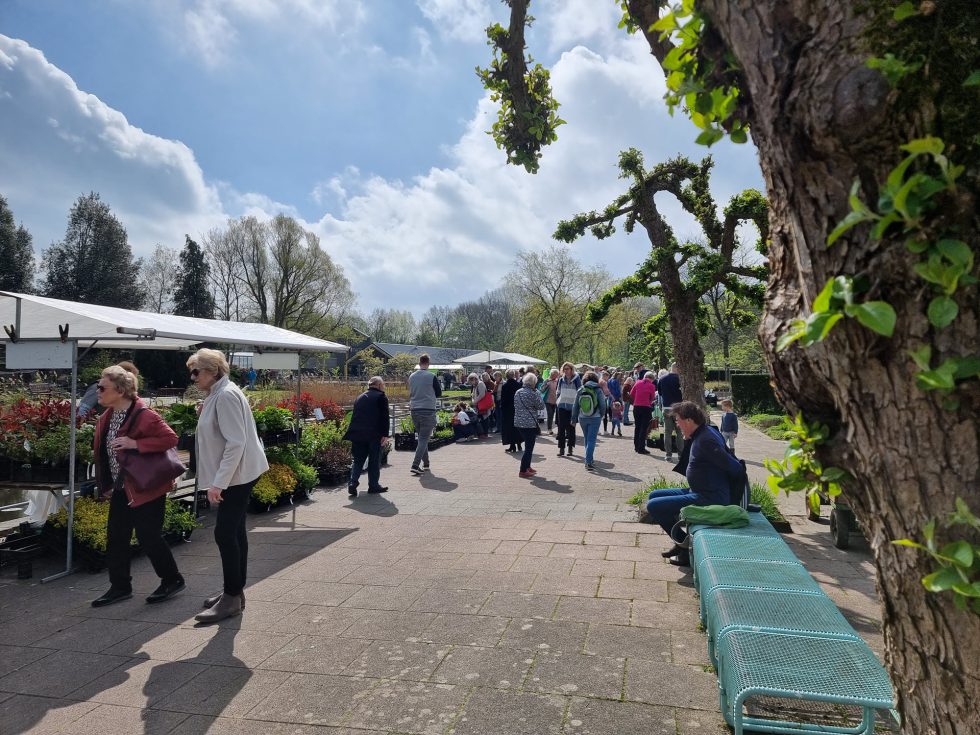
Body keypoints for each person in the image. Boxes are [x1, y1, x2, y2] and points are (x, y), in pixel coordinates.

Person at [90, 366, 184, 608]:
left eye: (102, 387)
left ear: (120, 391)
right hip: (122, 486)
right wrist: (108, 483)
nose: (97, 391)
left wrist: (135, 443)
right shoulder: (107, 416)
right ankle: (120, 587)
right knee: (116, 537)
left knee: (148, 536)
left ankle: (172, 580)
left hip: (146, 485)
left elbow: (171, 439)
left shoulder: (145, 415)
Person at [188, 348, 269, 623]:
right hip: (237, 473)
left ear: (213, 371)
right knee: (234, 531)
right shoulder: (219, 393)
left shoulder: (224, 396)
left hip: (237, 475)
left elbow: (236, 442)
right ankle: (235, 592)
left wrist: (218, 484)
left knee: (225, 533)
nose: (192, 377)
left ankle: (232, 596)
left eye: (196, 371)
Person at [646, 401, 744, 566]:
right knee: (653, 496)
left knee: (654, 506)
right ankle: (681, 541)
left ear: (689, 421)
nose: (677, 425)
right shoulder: (704, 433)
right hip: (698, 490)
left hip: (709, 496)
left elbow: (735, 467)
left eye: (678, 421)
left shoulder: (707, 440)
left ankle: (685, 547)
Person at [344, 376, 391, 497]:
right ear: (379, 385)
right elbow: (385, 417)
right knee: (374, 460)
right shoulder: (381, 397)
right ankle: (373, 485)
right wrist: (385, 435)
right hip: (374, 435)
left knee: (358, 460)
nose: (384, 386)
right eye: (383, 384)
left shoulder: (360, 397)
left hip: (357, 434)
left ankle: (352, 482)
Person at [408, 354, 442, 477]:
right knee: (423, 439)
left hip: (414, 409)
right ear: (428, 363)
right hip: (427, 409)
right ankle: (415, 465)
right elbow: (439, 393)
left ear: (419, 362)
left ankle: (426, 464)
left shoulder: (411, 376)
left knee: (422, 438)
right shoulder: (431, 376)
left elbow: (411, 392)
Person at [572, 370, 607, 470]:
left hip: (582, 417)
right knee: (592, 440)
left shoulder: (581, 389)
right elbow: (603, 404)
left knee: (587, 439)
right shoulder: (598, 389)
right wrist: (602, 414)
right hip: (595, 417)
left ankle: (590, 460)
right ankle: (588, 462)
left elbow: (575, 406)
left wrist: (574, 419)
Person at [513, 373, 544, 478]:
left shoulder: (518, 392)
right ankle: (523, 470)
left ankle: (527, 466)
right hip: (529, 423)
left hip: (518, 422)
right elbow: (541, 406)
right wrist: (538, 394)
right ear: (533, 383)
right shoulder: (533, 393)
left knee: (528, 446)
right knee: (529, 447)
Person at [658, 363, 684, 461]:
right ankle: (680, 454)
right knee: (679, 433)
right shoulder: (681, 379)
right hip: (679, 408)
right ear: (677, 368)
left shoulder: (662, 379)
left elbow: (660, 393)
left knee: (667, 432)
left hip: (667, 408)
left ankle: (668, 455)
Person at [555, 362, 581, 457]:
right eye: (564, 369)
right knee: (561, 428)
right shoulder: (561, 380)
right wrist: (558, 401)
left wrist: (577, 405)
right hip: (561, 406)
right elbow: (558, 391)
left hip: (573, 407)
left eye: (567, 369)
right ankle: (561, 449)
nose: (566, 370)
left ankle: (570, 448)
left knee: (571, 428)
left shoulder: (576, 379)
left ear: (571, 369)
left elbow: (580, 391)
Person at [630, 372, 657, 455]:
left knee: (637, 427)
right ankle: (641, 448)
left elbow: (631, 393)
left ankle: (636, 446)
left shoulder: (637, 383)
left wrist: (637, 399)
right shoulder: (652, 386)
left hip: (637, 407)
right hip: (646, 407)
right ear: (652, 379)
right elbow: (652, 397)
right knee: (643, 428)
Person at [499, 369, 522, 453]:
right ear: (513, 375)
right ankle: (519, 444)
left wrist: (502, 408)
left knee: (509, 427)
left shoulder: (505, 386)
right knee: (517, 427)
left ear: (506, 376)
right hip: (517, 408)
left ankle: (512, 446)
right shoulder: (518, 385)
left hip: (508, 410)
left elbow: (503, 399)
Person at [467, 373, 490, 438]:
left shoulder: (480, 384)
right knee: (481, 418)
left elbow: (482, 394)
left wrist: (475, 401)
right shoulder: (476, 385)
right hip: (479, 405)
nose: (471, 384)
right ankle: (482, 433)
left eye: (471, 382)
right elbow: (474, 394)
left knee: (484, 418)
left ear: (474, 379)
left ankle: (485, 433)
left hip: (482, 404)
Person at [540, 368, 559, 434]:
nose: (556, 376)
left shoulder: (558, 381)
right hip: (548, 401)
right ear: (551, 374)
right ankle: (549, 429)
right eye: (555, 375)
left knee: (556, 415)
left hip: (556, 401)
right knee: (550, 414)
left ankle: (559, 429)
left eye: (557, 375)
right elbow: (541, 390)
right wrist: (546, 385)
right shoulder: (546, 380)